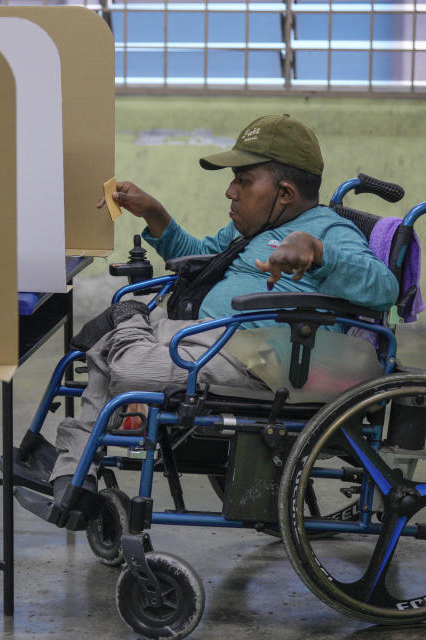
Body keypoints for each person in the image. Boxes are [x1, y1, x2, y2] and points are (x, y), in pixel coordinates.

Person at [46, 114, 399, 507]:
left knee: (128, 367)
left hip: (258, 360)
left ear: (283, 193)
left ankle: (126, 326)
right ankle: (73, 474)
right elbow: (199, 259)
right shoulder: (253, 228)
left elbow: (383, 287)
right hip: (208, 337)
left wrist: (318, 253)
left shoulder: (329, 231)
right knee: (102, 353)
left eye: (244, 181)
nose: (231, 191)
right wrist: (155, 214)